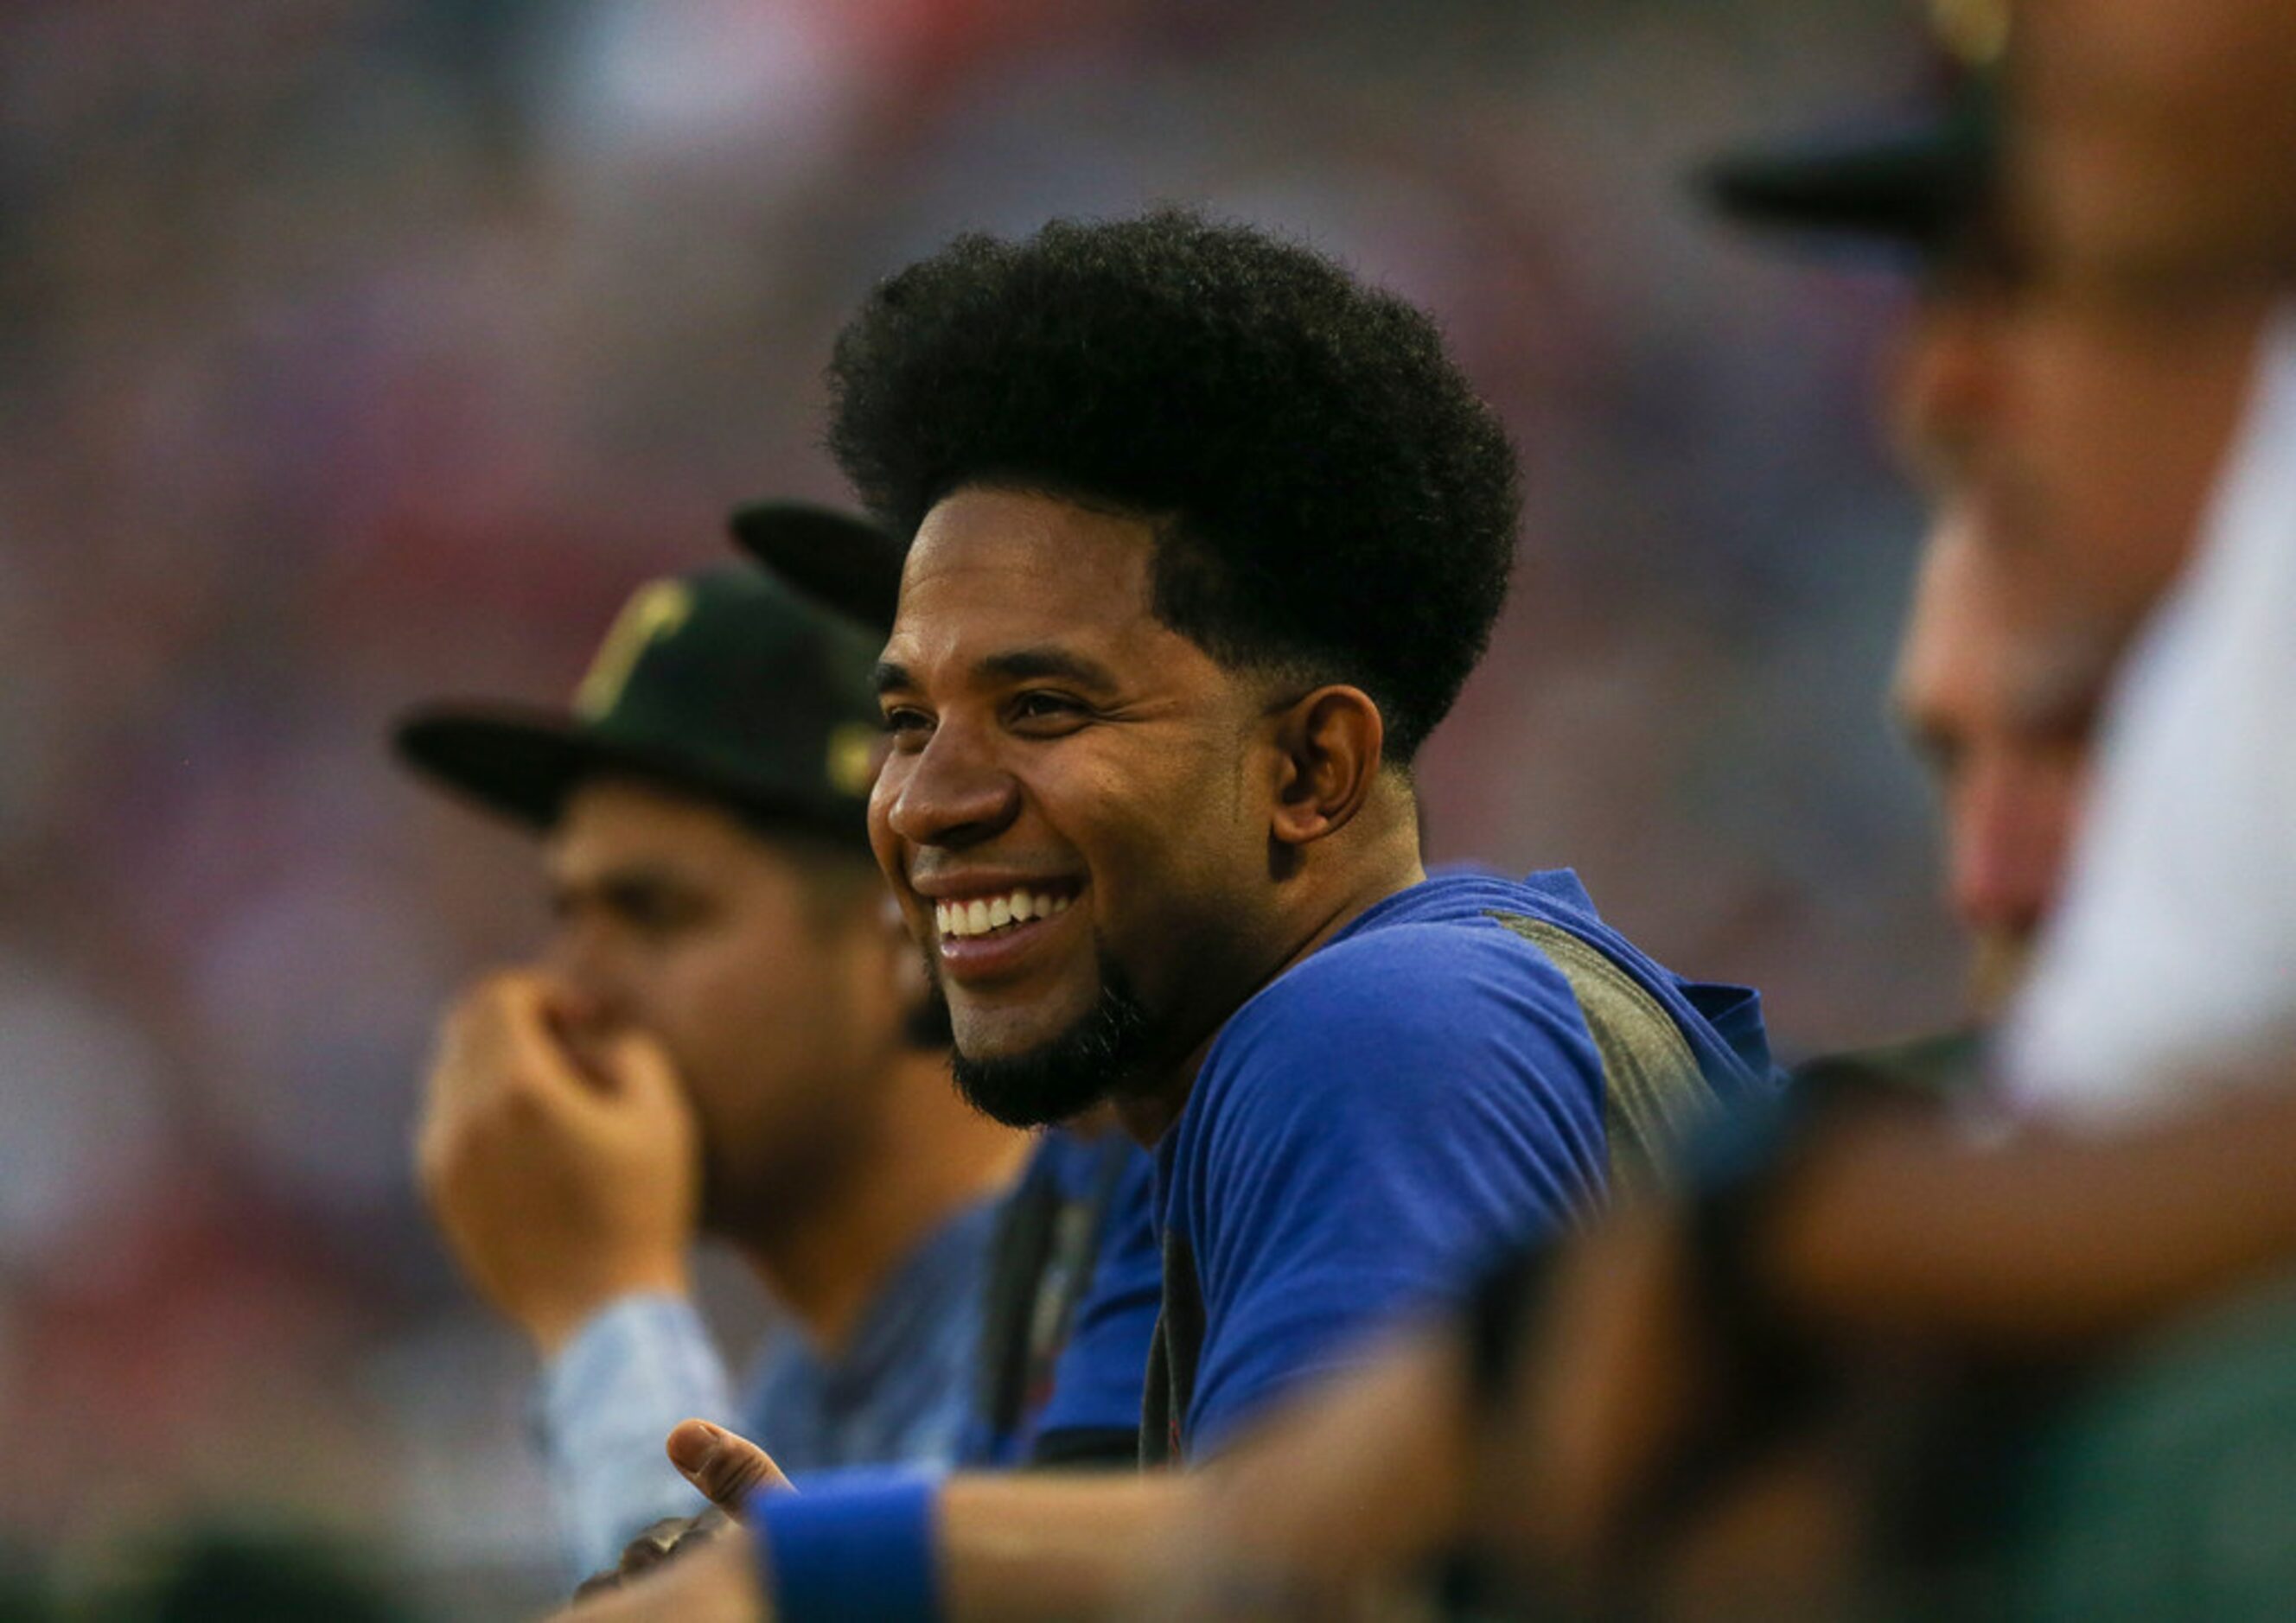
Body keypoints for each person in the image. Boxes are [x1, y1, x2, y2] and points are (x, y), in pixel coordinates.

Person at [557, 206, 1776, 1622]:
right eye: (906, 718)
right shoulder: (1214, 1096)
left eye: (1043, 707)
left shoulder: (1376, 1036)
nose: (925, 800)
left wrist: (819, 1572)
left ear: (1312, 767)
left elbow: (1315, 1583)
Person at [399, 550, 1028, 1582]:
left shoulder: (1082, 1316)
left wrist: (605, 1314)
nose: (574, 995)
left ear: (908, 928)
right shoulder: (797, 1394)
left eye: (654, 912)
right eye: (570, 915)